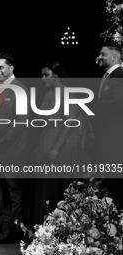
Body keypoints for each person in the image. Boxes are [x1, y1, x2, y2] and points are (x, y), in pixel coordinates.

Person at [28, 61, 82, 226]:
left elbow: (71, 122)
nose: (42, 78)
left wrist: (56, 148)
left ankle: (57, 227)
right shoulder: (48, 93)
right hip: (47, 141)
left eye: (46, 75)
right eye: (42, 75)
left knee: (56, 185)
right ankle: (44, 226)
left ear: (57, 75)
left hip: (61, 145)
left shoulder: (66, 93)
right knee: (45, 184)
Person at [0, 52, 30, 244]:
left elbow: (20, 123)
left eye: (1, 67)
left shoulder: (20, 89)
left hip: (13, 150)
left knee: (14, 193)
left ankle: (15, 231)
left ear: (11, 68)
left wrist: (1, 142)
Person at [95, 42, 123, 209]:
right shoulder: (109, 74)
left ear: (114, 57)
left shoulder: (119, 74)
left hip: (114, 139)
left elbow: (118, 103)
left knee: (116, 182)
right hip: (107, 138)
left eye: (102, 54)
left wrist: (96, 103)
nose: (99, 57)